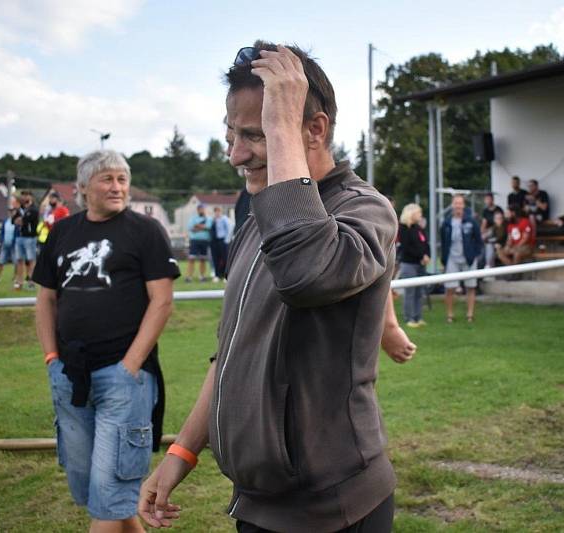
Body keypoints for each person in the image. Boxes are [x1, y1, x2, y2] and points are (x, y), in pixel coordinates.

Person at [138, 43, 398, 533]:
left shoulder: (365, 210)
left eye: (256, 134)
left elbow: (307, 275)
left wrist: (283, 124)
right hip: (260, 504)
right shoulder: (257, 219)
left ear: (314, 129)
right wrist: (181, 451)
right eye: (230, 133)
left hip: (334, 510)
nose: (235, 154)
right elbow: (232, 352)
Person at [33, 149, 180, 532]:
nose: (117, 187)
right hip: (70, 376)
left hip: (124, 379)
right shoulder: (63, 232)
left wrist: (129, 367)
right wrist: (52, 358)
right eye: (107, 179)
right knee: (93, 490)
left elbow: (162, 302)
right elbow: (46, 299)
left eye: (122, 179)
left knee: (110, 491)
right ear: (83, 188)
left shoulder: (145, 231)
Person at [440, 194, 482, 323]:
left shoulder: (471, 221)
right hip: (452, 258)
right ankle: (450, 315)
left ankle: (470, 315)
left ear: (463, 205)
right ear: (452, 205)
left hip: (468, 259)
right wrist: (444, 259)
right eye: (455, 203)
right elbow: (443, 242)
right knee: (450, 288)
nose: (458, 206)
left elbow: (478, 240)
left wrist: (474, 254)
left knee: (470, 286)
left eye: (460, 203)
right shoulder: (446, 223)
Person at [398, 203, 430, 327]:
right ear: (411, 213)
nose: (421, 216)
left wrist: (427, 255)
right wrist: (421, 256)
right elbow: (406, 247)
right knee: (410, 292)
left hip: (421, 264)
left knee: (419, 292)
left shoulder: (419, 228)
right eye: (419, 213)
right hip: (409, 264)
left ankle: (418, 317)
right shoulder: (403, 228)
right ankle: (409, 318)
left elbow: (425, 243)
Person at [0, 197, 22, 283]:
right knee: (1, 261)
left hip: (14, 245)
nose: (11, 212)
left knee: (16, 262)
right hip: (5, 244)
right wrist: (1, 240)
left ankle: (15, 277)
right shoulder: (5, 221)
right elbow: (2, 232)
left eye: (13, 211)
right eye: (10, 211)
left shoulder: (17, 221)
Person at [15, 190, 39, 290]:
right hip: (19, 237)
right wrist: (20, 219)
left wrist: (21, 220)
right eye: (23, 196)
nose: (24, 198)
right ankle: (19, 282)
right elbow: (14, 220)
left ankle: (31, 281)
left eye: (26, 196)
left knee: (31, 260)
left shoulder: (33, 209)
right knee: (19, 260)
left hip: (30, 238)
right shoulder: (20, 209)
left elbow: (24, 220)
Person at [186, 204, 212, 282]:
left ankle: (202, 276)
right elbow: (191, 228)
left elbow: (208, 227)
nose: (201, 210)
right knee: (191, 259)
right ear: (197, 210)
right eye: (200, 209)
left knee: (203, 259)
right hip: (194, 241)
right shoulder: (193, 218)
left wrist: (197, 226)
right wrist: (202, 227)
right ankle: (189, 277)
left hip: (204, 241)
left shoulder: (208, 219)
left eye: (203, 209)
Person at [480, 193, 503, 267]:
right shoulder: (485, 211)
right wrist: (481, 233)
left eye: (488, 199)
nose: (487, 201)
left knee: (489, 244)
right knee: (483, 241)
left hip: (497, 232)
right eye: (486, 199)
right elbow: (484, 224)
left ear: (492, 199)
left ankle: (488, 265)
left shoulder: (498, 209)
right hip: (490, 231)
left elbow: (500, 225)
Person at [210, 206, 231, 283]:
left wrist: (226, 239)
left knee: (225, 258)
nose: (217, 213)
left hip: (223, 241)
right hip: (215, 241)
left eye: (218, 211)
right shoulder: (213, 220)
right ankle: (217, 275)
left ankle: (226, 275)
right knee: (216, 259)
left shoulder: (224, 219)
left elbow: (229, 228)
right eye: (215, 211)